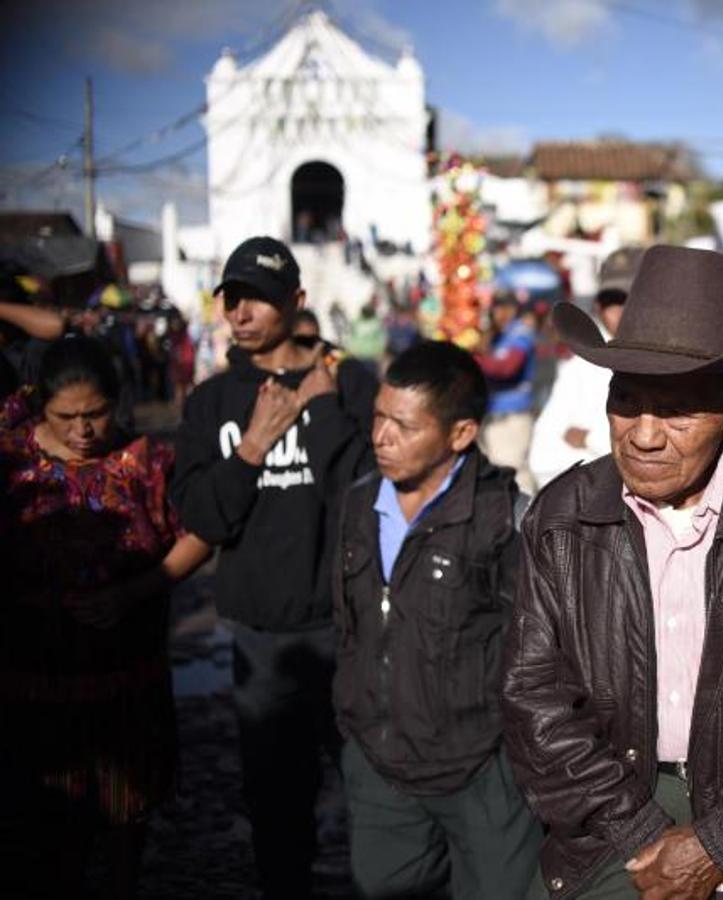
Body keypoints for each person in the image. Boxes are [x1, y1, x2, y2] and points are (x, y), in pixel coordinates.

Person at [502, 245, 723, 900]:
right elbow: (532, 696)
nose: (642, 435)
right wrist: (641, 834)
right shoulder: (562, 516)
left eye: (676, 411)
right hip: (606, 807)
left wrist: (719, 843)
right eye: (626, 401)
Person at [171, 236, 378, 899]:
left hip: (350, 630)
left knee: (373, 799)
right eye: (232, 297)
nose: (241, 311)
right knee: (276, 806)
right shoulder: (209, 404)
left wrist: (316, 406)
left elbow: (365, 493)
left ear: (296, 301)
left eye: (257, 296)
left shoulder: (349, 381)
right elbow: (206, 517)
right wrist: (254, 446)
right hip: (261, 639)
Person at [0, 336, 210, 900]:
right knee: (42, 835)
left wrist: (137, 591)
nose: (83, 430)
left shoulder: (148, 462)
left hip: (126, 684)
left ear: (115, 403)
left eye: (95, 414)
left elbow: (198, 536)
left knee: (125, 826)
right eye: (65, 417)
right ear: (41, 407)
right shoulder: (11, 462)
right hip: (31, 686)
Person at [332, 340, 540, 898]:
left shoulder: (504, 521)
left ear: (461, 434)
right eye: (378, 418)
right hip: (381, 765)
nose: (381, 437)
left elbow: (538, 655)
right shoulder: (357, 505)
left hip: (483, 770)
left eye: (403, 425)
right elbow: (349, 626)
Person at [528, 246, 642, 488]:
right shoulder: (578, 370)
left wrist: (589, 439)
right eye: (614, 301)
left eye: (633, 299)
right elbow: (543, 458)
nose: (623, 311)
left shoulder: (678, 365)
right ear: (599, 307)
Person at [476, 292, 538, 494]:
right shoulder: (495, 336)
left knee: (513, 471)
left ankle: (527, 521)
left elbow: (507, 367)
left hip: (513, 417)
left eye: (505, 307)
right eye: (496, 308)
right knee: (493, 473)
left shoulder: (520, 332)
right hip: (491, 415)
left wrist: (472, 358)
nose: (499, 313)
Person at [348, 300, 388, 377]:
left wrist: (381, 351)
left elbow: (382, 338)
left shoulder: (377, 322)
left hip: (372, 356)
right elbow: (351, 337)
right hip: (358, 355)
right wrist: (351, 350)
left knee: (371, 376)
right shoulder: (356, 322)